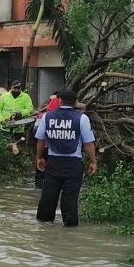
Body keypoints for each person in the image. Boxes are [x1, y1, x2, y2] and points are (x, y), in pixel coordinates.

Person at [35, 89, 98, 227]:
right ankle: (70, 228)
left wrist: (39, 158)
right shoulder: (82, 118)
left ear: (60, 101)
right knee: (70, 199)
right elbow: (88, 143)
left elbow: (40, 140)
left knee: (48, 198)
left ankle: (43, 228)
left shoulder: (47, 117)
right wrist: (93, 161)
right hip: (73, 164)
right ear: (75, 103)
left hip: (53, 163)